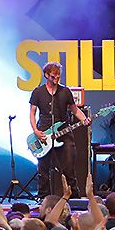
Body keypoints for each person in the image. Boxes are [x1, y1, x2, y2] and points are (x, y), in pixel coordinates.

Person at [29, 62, 90, 198]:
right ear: (46, 75)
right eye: (53, 76)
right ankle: (43, 198)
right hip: (44, 133)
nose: (56, 79)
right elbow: (32, 113)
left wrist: (84, 119)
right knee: (43, 169)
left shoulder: (65, 91)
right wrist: (36, 131)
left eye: (58, 76)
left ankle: (74, 197)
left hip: (63, 131)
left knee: (69, 166)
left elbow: (74, 109)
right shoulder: (38, 92)